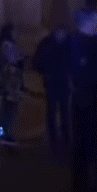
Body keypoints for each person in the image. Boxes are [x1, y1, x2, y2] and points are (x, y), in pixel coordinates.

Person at [69, 9, 97, 192]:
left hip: (87, 99)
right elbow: (84, 73)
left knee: (85, 146)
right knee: (85, 145)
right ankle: (83, 189)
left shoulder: (88, 42)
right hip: (86, 101)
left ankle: (82, 187)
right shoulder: (80, 43)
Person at [33, 25, 73, 156]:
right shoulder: (50, 44)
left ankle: (63, 137)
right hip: (54, 81)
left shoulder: (64, 43)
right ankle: (56, 138)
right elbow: (37, 62)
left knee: (63, 110)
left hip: (61, 81)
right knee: (54, 110)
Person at [0, 24, 26, 143]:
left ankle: (4, 133)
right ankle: (4, 134)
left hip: (8, 81)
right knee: (9, 110)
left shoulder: (3, 45)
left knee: (7, 109)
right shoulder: (8, 45)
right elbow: (14, 62)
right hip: (11, 82)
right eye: (14, 31)